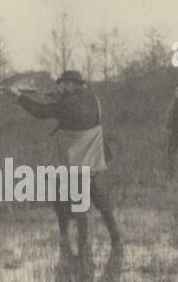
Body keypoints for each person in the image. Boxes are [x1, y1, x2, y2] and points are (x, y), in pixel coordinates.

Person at [9, 70, 122, 253]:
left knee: (69, 197)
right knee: (95, 195)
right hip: (92, 157)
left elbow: (40, 112)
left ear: (73, 85)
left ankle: (80, 242)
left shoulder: (67, 104)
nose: (61, 86)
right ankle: (115, 236)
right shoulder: (92, 98)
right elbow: (69, 105)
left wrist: (18, 96)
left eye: (64, 84)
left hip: (75, 158)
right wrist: (56, 94)